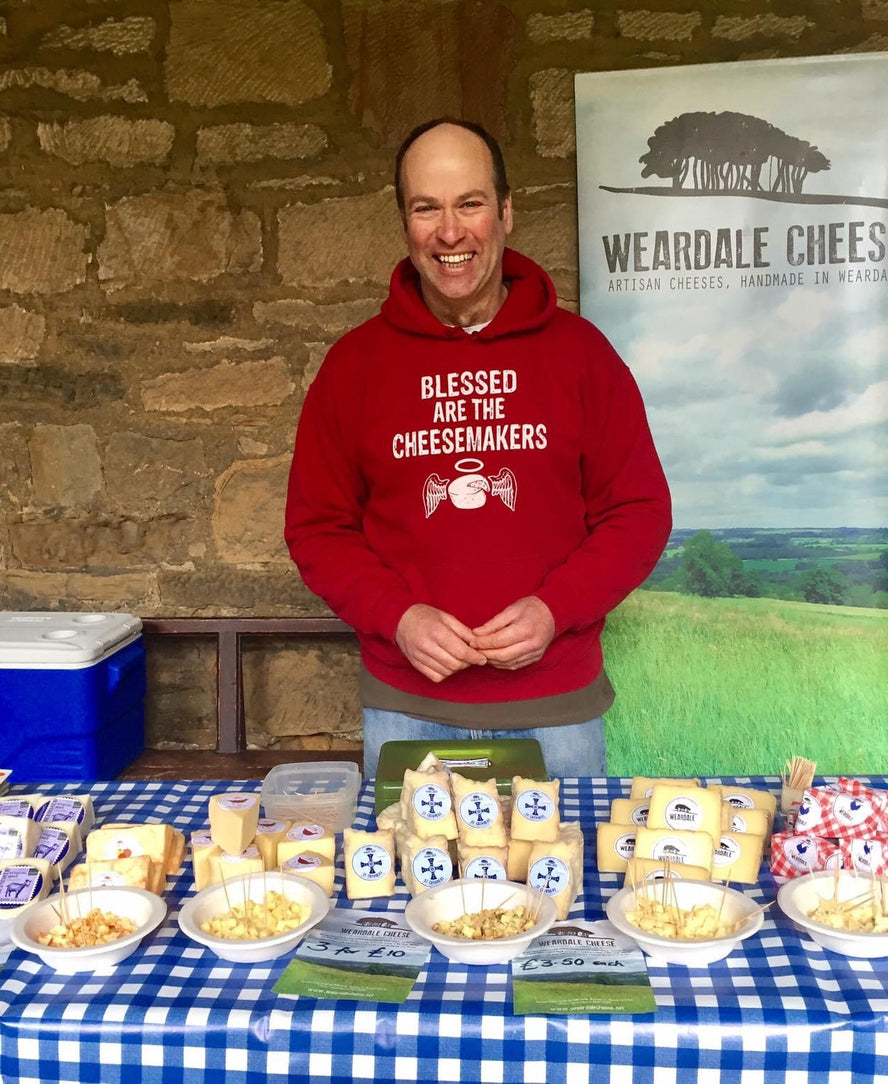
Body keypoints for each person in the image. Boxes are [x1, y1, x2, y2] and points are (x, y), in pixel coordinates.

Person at [284, 118, 671, 778]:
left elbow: (639, 512)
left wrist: (555, 609)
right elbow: (317, 527)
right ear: (405, 224)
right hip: (407, 708)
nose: (450, 231)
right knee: (414, 884)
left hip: (556, 709)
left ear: (506, 212)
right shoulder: (354, 367)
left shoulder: (581, 356)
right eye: (425, 208)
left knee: (560, 883)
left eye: (470, 203)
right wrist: (398, 617)